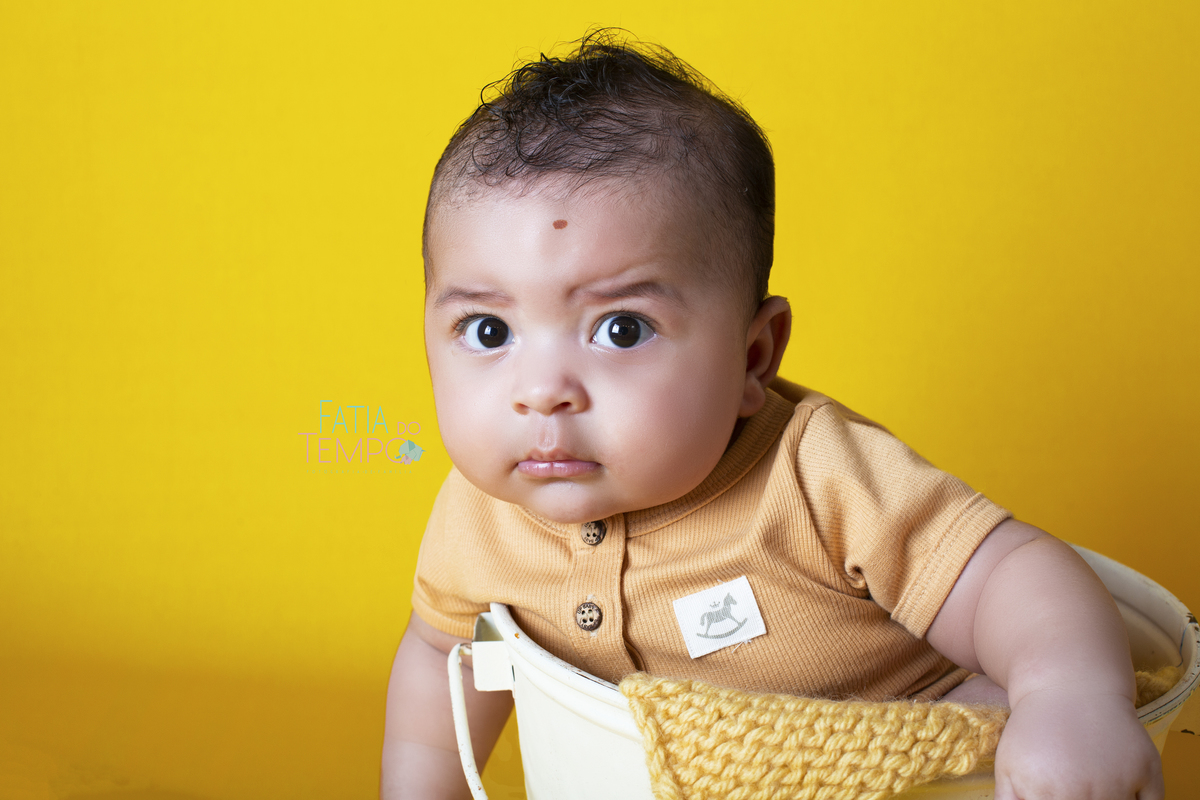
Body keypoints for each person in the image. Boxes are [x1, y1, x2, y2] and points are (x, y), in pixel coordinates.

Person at [381, 30, 1163, 800]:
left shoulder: (818, 473)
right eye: (489, 331)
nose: (541, 390)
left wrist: (1069, 697)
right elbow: (443, 657)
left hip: (901, 762)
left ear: (753, 358)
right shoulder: (478, 513)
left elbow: (1010, 576)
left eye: (621, 329)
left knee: (1000, 720)